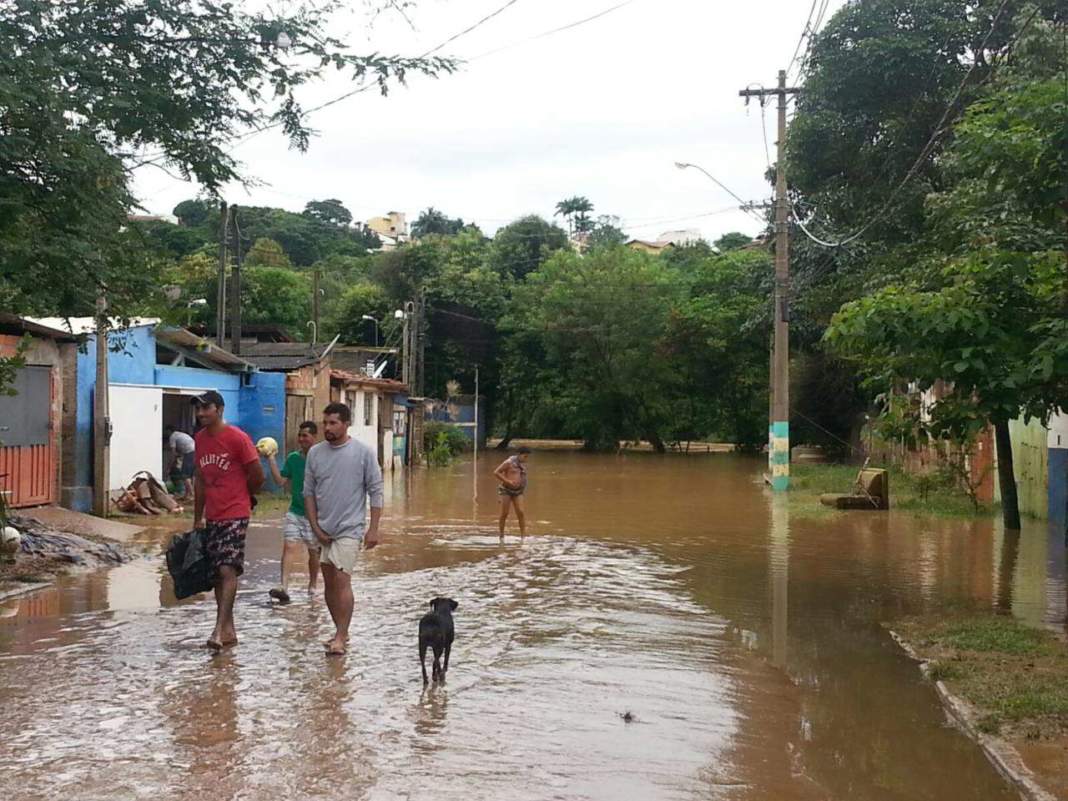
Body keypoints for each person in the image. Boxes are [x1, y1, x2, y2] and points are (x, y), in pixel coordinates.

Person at [303, 402, 383, 656]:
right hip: (322, 528)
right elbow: (308, 494)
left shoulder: (363, 453)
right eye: (325, 423)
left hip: (350, 529)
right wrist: (315, 527)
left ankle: (340, 635)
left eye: (333, 423)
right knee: (328, 583)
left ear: (346, 424)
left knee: (341, 578)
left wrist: (374, 529)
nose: (327, 427)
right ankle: (341, 630)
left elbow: (376, 491)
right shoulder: (315, 454)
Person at [191, 390, 265, 651]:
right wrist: (197, 517)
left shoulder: (238, 438)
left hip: (236, 512)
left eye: (206, 408)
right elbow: (200, 479)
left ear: (219, 410)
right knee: (216, 575)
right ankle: (230, 629)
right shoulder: (199, 440)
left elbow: (257, 475)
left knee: (227, 569)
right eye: (198, 409)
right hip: (213, 514)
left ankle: (218, 630)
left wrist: (244, 497)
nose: (201, 414)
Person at [262, 421, 320, 604]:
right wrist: (271, 459)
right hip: (295, 512)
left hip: (316, 516)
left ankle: (312, 586)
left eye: (306, 435)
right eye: (300, 435)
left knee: (314, 553)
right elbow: (280, 481)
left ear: (314, 437)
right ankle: (284, 587)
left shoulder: (322, 459)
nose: (301, 439)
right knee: (289, 547)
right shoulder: (293, 458)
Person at [494, 447, 531, 539]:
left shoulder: (521, 465)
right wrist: (507, 481)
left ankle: (523, 536)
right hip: (506, 490)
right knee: (504, 513)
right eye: (525, 456)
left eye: (527, 457)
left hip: (518, 491)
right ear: (519, 454)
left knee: (521, 512)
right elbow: (496, 472)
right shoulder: (509, 462)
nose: (526, 459)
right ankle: (501, 535)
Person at [164, 425, 196, 501]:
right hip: (196, 451)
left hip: (190, 453)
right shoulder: (180, 434)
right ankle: (187, 494)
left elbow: (173, 453)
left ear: (169, 431)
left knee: (185, 475)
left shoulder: (172, 436)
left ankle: (192, 495)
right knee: (191, 475)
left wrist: (169, 466)